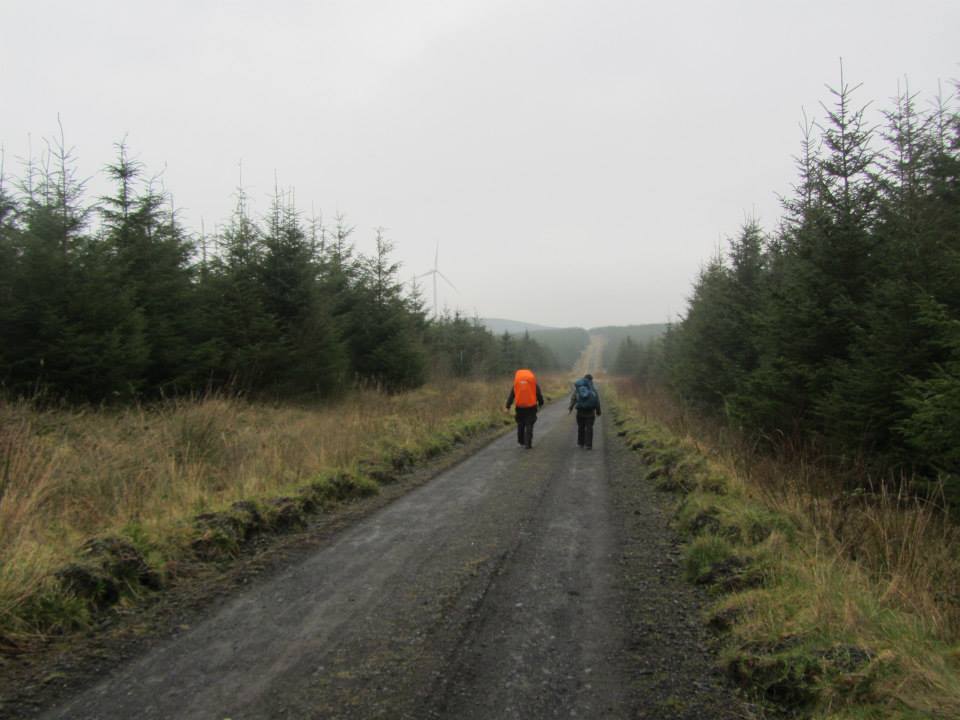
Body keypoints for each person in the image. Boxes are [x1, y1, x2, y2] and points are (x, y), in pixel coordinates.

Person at [505, 368, 545, 449]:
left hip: (519, 407)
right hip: (531, 407)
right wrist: (541, 403)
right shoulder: (534, 384)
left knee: (520, 424)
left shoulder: (516, 385)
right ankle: (528, 444)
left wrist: (507, 406)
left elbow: (511, 396)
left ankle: (521, 441)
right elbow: (539, 395)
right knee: (529, 424)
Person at [568, 373, 601, 449]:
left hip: (580, 411)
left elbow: (574, 398)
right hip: (590, 412)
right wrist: (598, 411)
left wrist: (570, 407)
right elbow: (597, 401)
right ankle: (588, 445)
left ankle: (580, 443)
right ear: (591, 380)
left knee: (581, 427)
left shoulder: (579, 388)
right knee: (589, 428)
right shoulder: (592, 389)